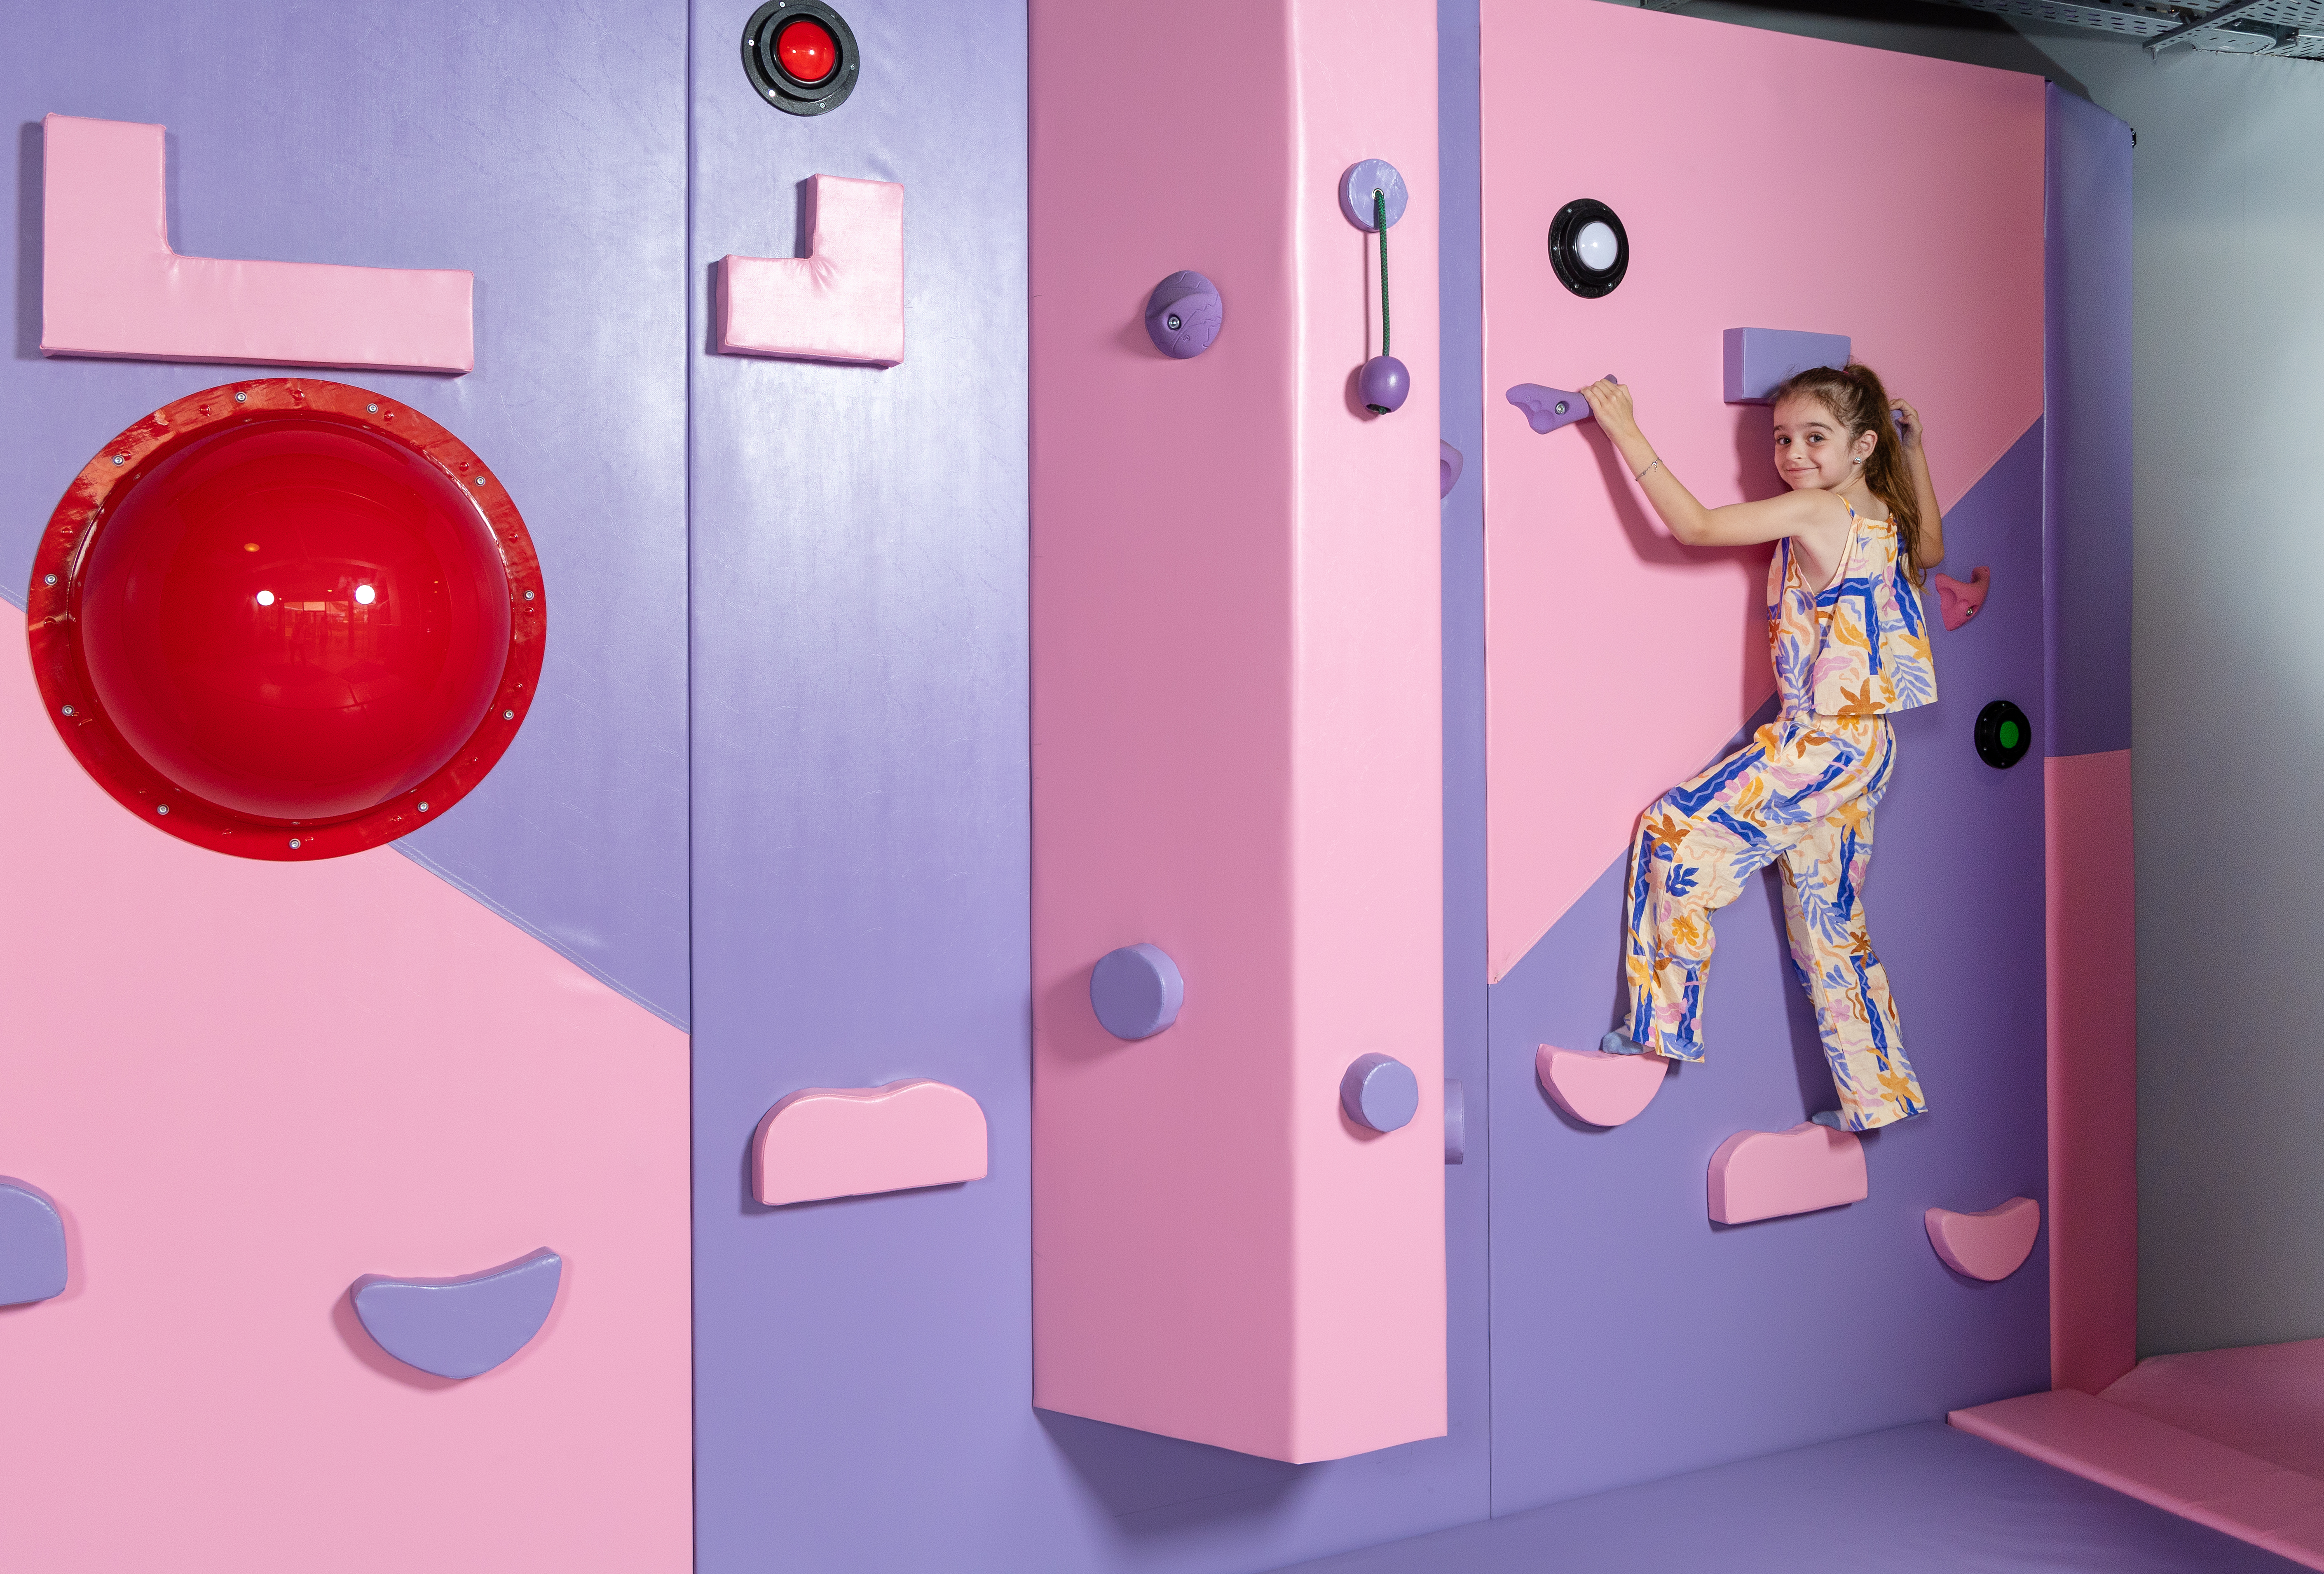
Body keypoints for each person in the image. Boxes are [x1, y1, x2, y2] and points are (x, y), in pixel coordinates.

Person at [1578, 364, 1943, 1131]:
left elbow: (1699, 527)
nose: (1795, 454)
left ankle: (1663, 1027)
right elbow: (1934, 550)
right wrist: (1915, 454)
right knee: (1828, 922)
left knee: (1673, 830)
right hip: (1868, 744)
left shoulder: (1816, 512)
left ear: (1861, 445)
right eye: (1783, 438)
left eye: (1816, 438)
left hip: (1824, 743)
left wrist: (1624, 429)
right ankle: (1877, 1096)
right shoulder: (1884, 513)